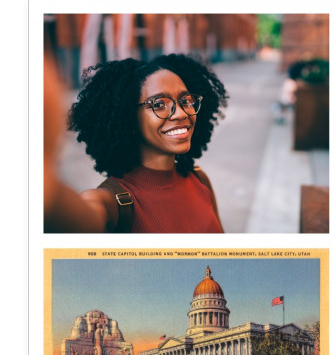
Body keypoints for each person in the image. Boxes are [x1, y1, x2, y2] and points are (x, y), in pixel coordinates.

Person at [45, 53, 227, 233]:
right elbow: (73, 217)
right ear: (130, 118)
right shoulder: (112, 203)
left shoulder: (200, 180)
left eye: (186, 101)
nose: (181, 113)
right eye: (159, 104)